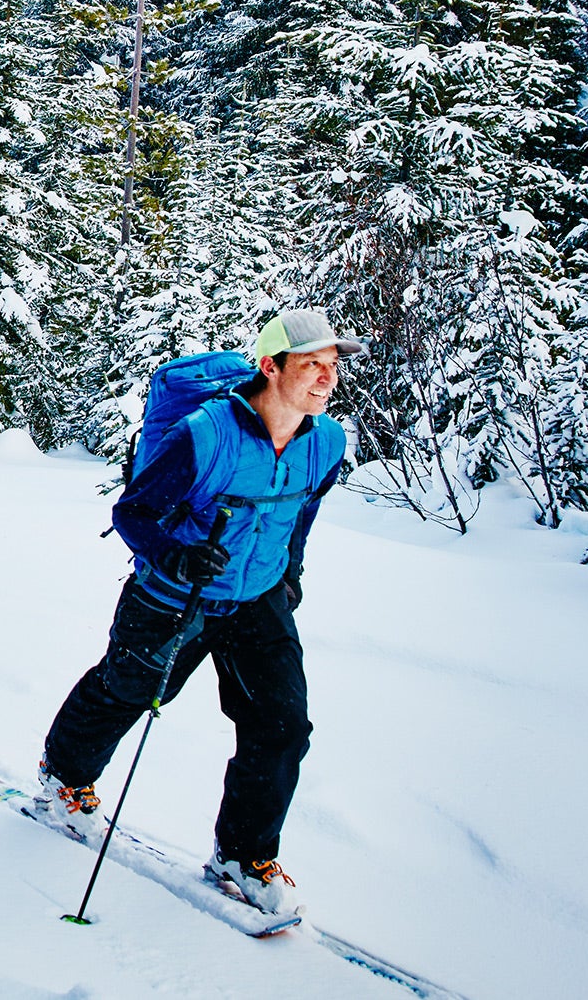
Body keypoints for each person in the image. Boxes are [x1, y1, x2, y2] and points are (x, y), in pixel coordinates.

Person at [37, 308, 362, 914]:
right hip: (174, 594)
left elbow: (302, 511)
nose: (326, 378)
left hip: (257, 599)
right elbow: (133, 513)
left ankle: (243, 852)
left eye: (332, 365)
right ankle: (64, 778)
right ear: (271, 367)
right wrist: (175, 557)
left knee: (283, 725)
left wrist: (290, 573)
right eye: (311, 364)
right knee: (126, 690)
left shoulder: (327, 442)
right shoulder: (206, 435)